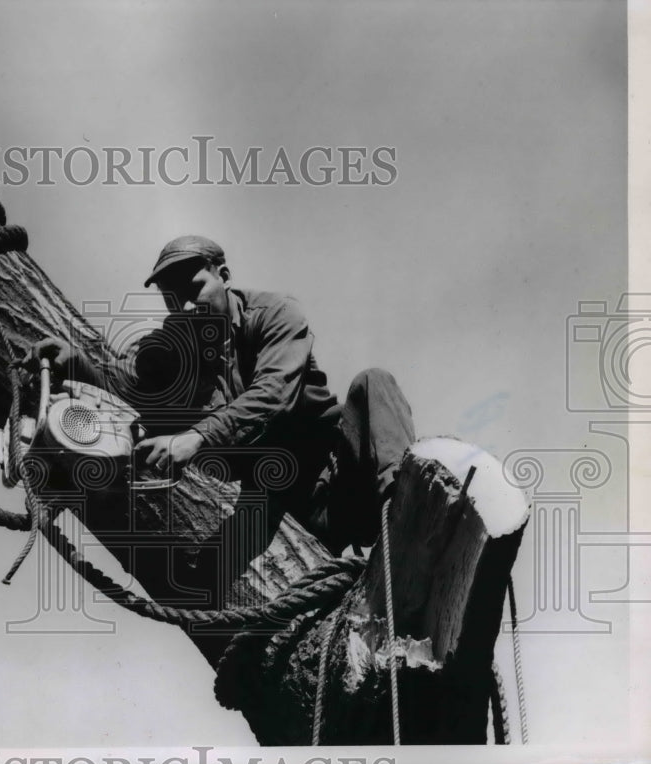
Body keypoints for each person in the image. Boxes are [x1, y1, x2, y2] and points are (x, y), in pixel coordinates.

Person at [22, 234, 416, 560]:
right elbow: (127, 390)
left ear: (223, 275)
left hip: (344, 480)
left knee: (372, 383)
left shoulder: (276, 313)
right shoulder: (171, 347)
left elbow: (272, 395)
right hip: (287, 511)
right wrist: (75, 363)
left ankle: (408, 518)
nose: (187, 306)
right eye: (172, 299)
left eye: (194, 289)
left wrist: (196, 438)